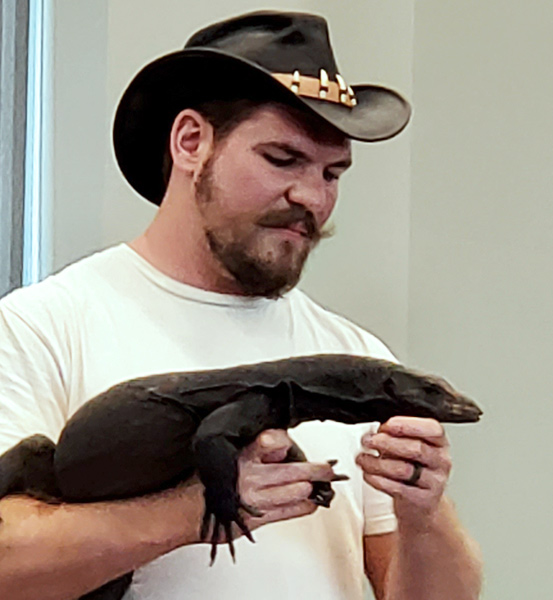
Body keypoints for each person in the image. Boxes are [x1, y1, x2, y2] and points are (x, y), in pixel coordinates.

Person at [0, 10, 483, 600]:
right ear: (191, 142)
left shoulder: (356, 356)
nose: (311, 196)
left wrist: (423, 516)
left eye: (333, 173)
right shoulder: (41, 328)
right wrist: (200, 506)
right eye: (282, 159)